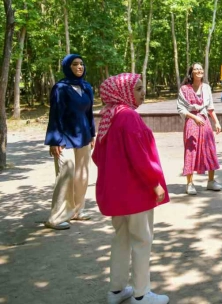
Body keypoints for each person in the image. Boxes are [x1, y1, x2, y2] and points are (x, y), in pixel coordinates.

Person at [93, 73, 170, 304]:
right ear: (124, 92)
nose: (143, 92)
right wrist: (154, 183)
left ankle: (116, 291)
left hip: (116, 194)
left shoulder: (109, 116)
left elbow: (97, 157)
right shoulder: (129, 117)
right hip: (136, 192)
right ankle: (141, 294)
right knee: (142, 240)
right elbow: (140, 157)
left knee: (121, 240)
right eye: (137, 88)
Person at [44, 54, 96, 230]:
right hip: (64, 138)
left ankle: (77, 211)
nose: (80, 67)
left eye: (81, 64)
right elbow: (55, 114)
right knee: (66, 174)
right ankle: (56, 218)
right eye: (75, 64)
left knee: (82, 176)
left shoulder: (86, 87)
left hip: (84, 137)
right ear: (68, 67)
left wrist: (92, 134)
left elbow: (89, 114)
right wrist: (54, 140)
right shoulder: (60, 88)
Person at [177, 63, 222, 195]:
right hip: (191, 121)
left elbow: (210, 108)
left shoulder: (206, 88)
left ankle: (211, 181)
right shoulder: (184, 89)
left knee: (210, 148)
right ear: (191, 72)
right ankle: (190, 183)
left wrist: (216, 122)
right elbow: (181, 108)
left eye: (200, 69)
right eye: (196, 69)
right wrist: (194, 117)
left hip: (204, 120)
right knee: (191, 150)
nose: (199, 71)